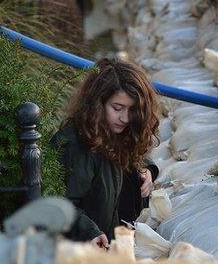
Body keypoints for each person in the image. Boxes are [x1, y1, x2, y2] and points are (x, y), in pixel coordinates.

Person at [52, 58, 161, 249]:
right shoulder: (76, 145)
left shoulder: (120, 131)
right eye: (117, 108)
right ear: (97, 104)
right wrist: (88, 232)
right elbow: (58, 202)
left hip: (115, 243)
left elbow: (137, 157)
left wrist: (147, 170)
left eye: (133, 110)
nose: (125, 118)